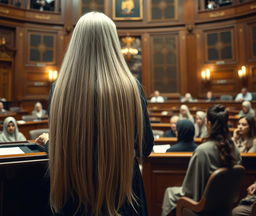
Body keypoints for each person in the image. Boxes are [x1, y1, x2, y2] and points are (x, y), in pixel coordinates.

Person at [36, 12, 154, 216]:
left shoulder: (59, 89)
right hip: (123, 197)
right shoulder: (131, 88)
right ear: (112, 43)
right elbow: (145, 148)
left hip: (73, 198)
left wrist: (49, 143)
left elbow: (61, 148)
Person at [162, 105, 241, 216]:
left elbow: (189, 190)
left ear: (208, 124)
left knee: (170, 192)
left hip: (203, 208)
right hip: (225, 206)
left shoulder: (202, 151)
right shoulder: (235, 149)